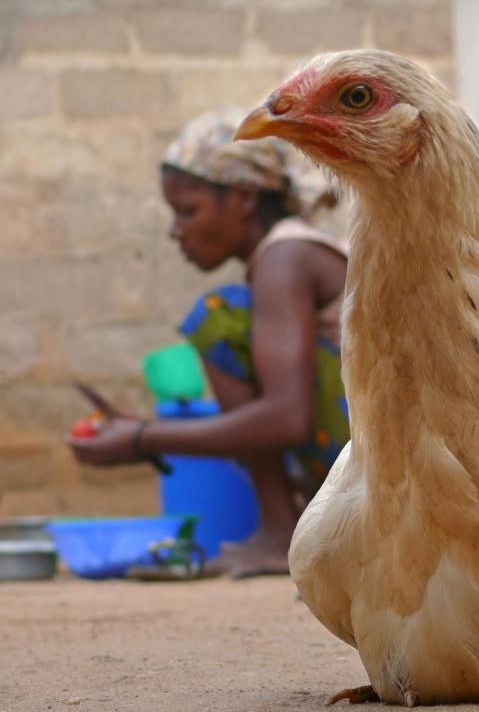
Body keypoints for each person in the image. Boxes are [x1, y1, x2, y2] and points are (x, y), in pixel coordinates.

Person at [68, 110, 350, 578]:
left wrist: (142, 440)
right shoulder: (286, 255)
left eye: (188, 210)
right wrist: (146, 429)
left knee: (217, 317)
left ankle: (282, 532)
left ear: (241, 198)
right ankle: (285, 527)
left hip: (379, 450)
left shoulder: (285, 259)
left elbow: (285, 419)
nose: (176, 231)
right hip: (367, 444)